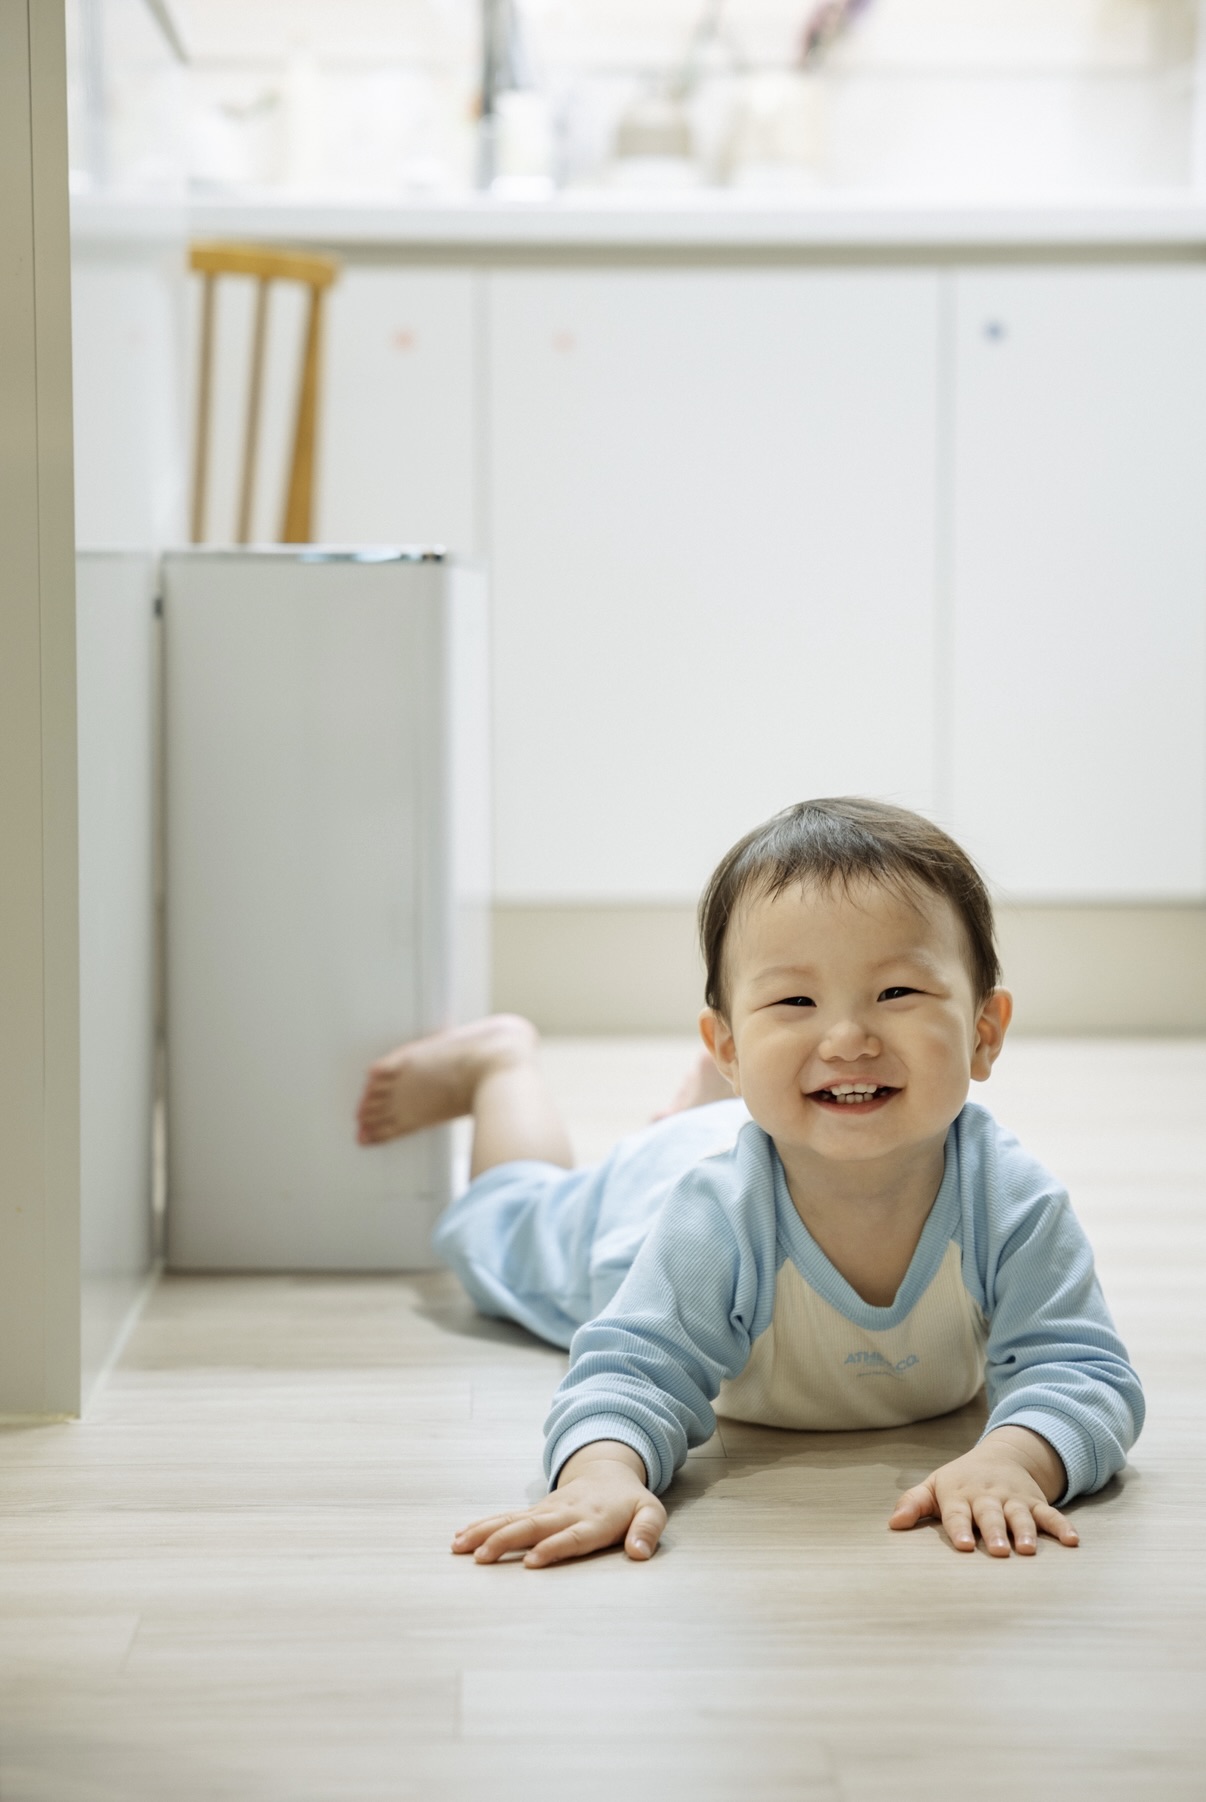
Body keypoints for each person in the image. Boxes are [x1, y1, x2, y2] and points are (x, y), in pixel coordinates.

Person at [356, 797, 1144, 1568]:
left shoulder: (1010, 1202)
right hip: (644, 1212)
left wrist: (1015, 1459)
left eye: (897, 993)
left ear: (984, 1031)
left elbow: (1080, 1367)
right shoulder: (711, 1220)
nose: (848, 1039)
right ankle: (501, 1066)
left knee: (738, 1123)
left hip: (761, 1129)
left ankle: (707, 1104)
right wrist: (601, 1474)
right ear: (728, 1045)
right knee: (500, 1218)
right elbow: (632, 1368)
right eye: (795, 1001)